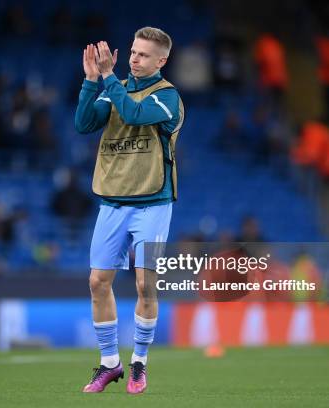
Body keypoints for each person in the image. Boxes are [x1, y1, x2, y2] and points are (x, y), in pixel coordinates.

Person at [74, 27, 184, 394]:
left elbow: (135, 114)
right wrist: (92, 81)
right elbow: (84, 124)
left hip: (153, 203)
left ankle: (139, 363)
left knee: (144, 282)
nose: (134, 58)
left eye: (143, 54)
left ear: (161, 61)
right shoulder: (113, 86)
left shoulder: (167, 97)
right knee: (96, 282)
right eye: (133, 52)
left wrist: (107, 79)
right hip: (113, 201)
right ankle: (110, 364)